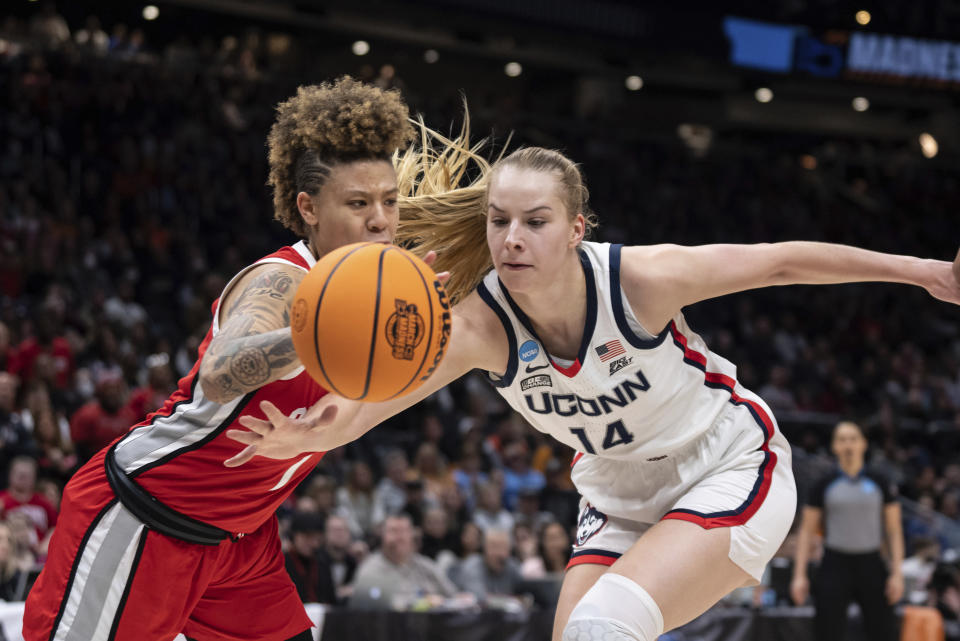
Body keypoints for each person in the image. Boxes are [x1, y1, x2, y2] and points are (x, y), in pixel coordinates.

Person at [225, 122, 960, 641]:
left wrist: (925, 273)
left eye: (535, 221)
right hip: (615, 494)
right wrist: (313, 428)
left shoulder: (637, 279)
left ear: (577, 228)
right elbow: (375, 402)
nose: (512, 238)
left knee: (606, 626)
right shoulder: (479, 324)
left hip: (728, 465)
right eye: (499, 220)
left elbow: (778, 261)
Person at [23, 76, 417, 641]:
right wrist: (315, 338)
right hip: (148, 514)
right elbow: (224, 367)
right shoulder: (280, 282)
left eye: (389, 200)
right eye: (358, 203)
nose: (380, 219)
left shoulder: (382, 287)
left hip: (242, 541)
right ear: (307, 208)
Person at [791, 421, 905, 641]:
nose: (848, 444)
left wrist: (897, 573)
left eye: (853, 438)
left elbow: (893, 529)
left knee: (882, 631)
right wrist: (799, 575)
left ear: (863, 444)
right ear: (834, 446)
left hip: (872, 564)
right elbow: (806, 531)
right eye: (842, 439)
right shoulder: (823, 484)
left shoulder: (880, 482)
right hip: (835, 564)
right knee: (827, 631)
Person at [348, 513, 457, 609]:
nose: (400, 537)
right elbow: (364, 610)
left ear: (412, 535)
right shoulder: (369, 570)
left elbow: (454, 597)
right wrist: (423, 602)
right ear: (382, 536)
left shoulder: (426, 566)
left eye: (404, 531)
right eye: (393, 531)